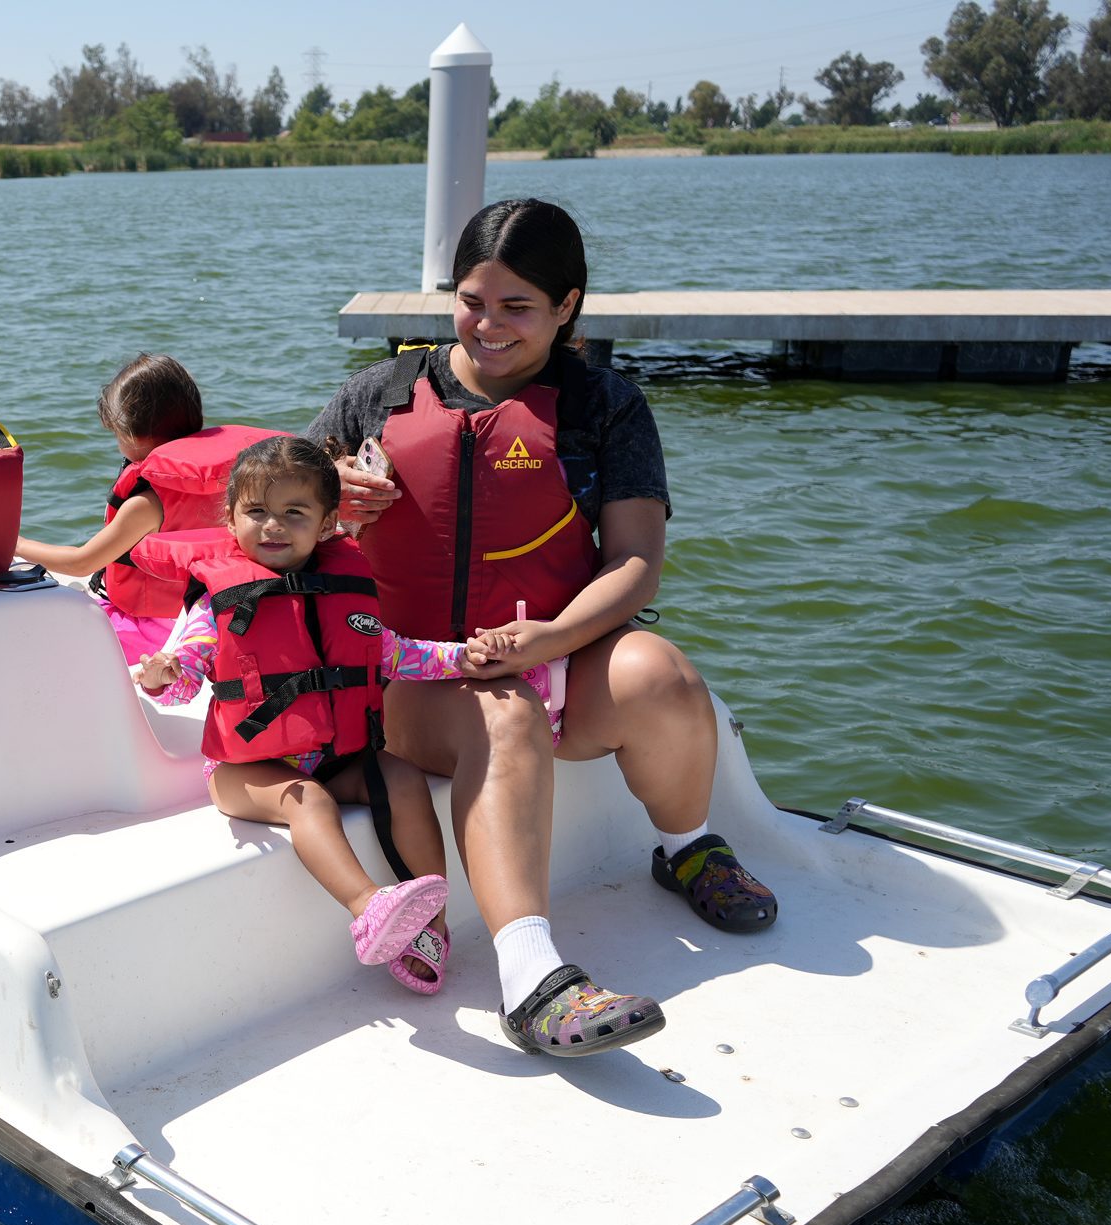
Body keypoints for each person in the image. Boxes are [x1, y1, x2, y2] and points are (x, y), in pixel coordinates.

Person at [308, 197, 778, 1058]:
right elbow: (270, 528)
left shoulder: (607, 405)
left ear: (568, 307)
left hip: (551, 649)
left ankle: (685, 848)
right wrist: (333, 503)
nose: (487, 325)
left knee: (664, 675)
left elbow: (634, 558)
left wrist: (556, 638)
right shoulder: (374, 396)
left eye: (516, 306)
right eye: (470, 300)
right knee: (504, 711)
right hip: (409, 674)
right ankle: (531, 981)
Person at [129, 435, 517, 992]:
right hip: (247, 773)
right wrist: (161, 672)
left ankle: (430, 924)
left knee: (402, 778)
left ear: (329, 521)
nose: (272, 527)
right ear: (232, 517)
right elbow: (185, 672)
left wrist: (469, 658)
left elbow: (400, 654)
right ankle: (370, 911)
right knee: (309, 802)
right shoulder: (217, 603)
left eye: (294, 513)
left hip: (334, 753)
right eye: (256, 512)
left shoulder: (345, 586)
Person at [14, 354, 281, 663]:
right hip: (207, 616)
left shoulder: (147, 503)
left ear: (130, 434)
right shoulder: (234, 476)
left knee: (38, 635)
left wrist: (16, 544)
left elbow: (81, 563)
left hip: (155, 631)